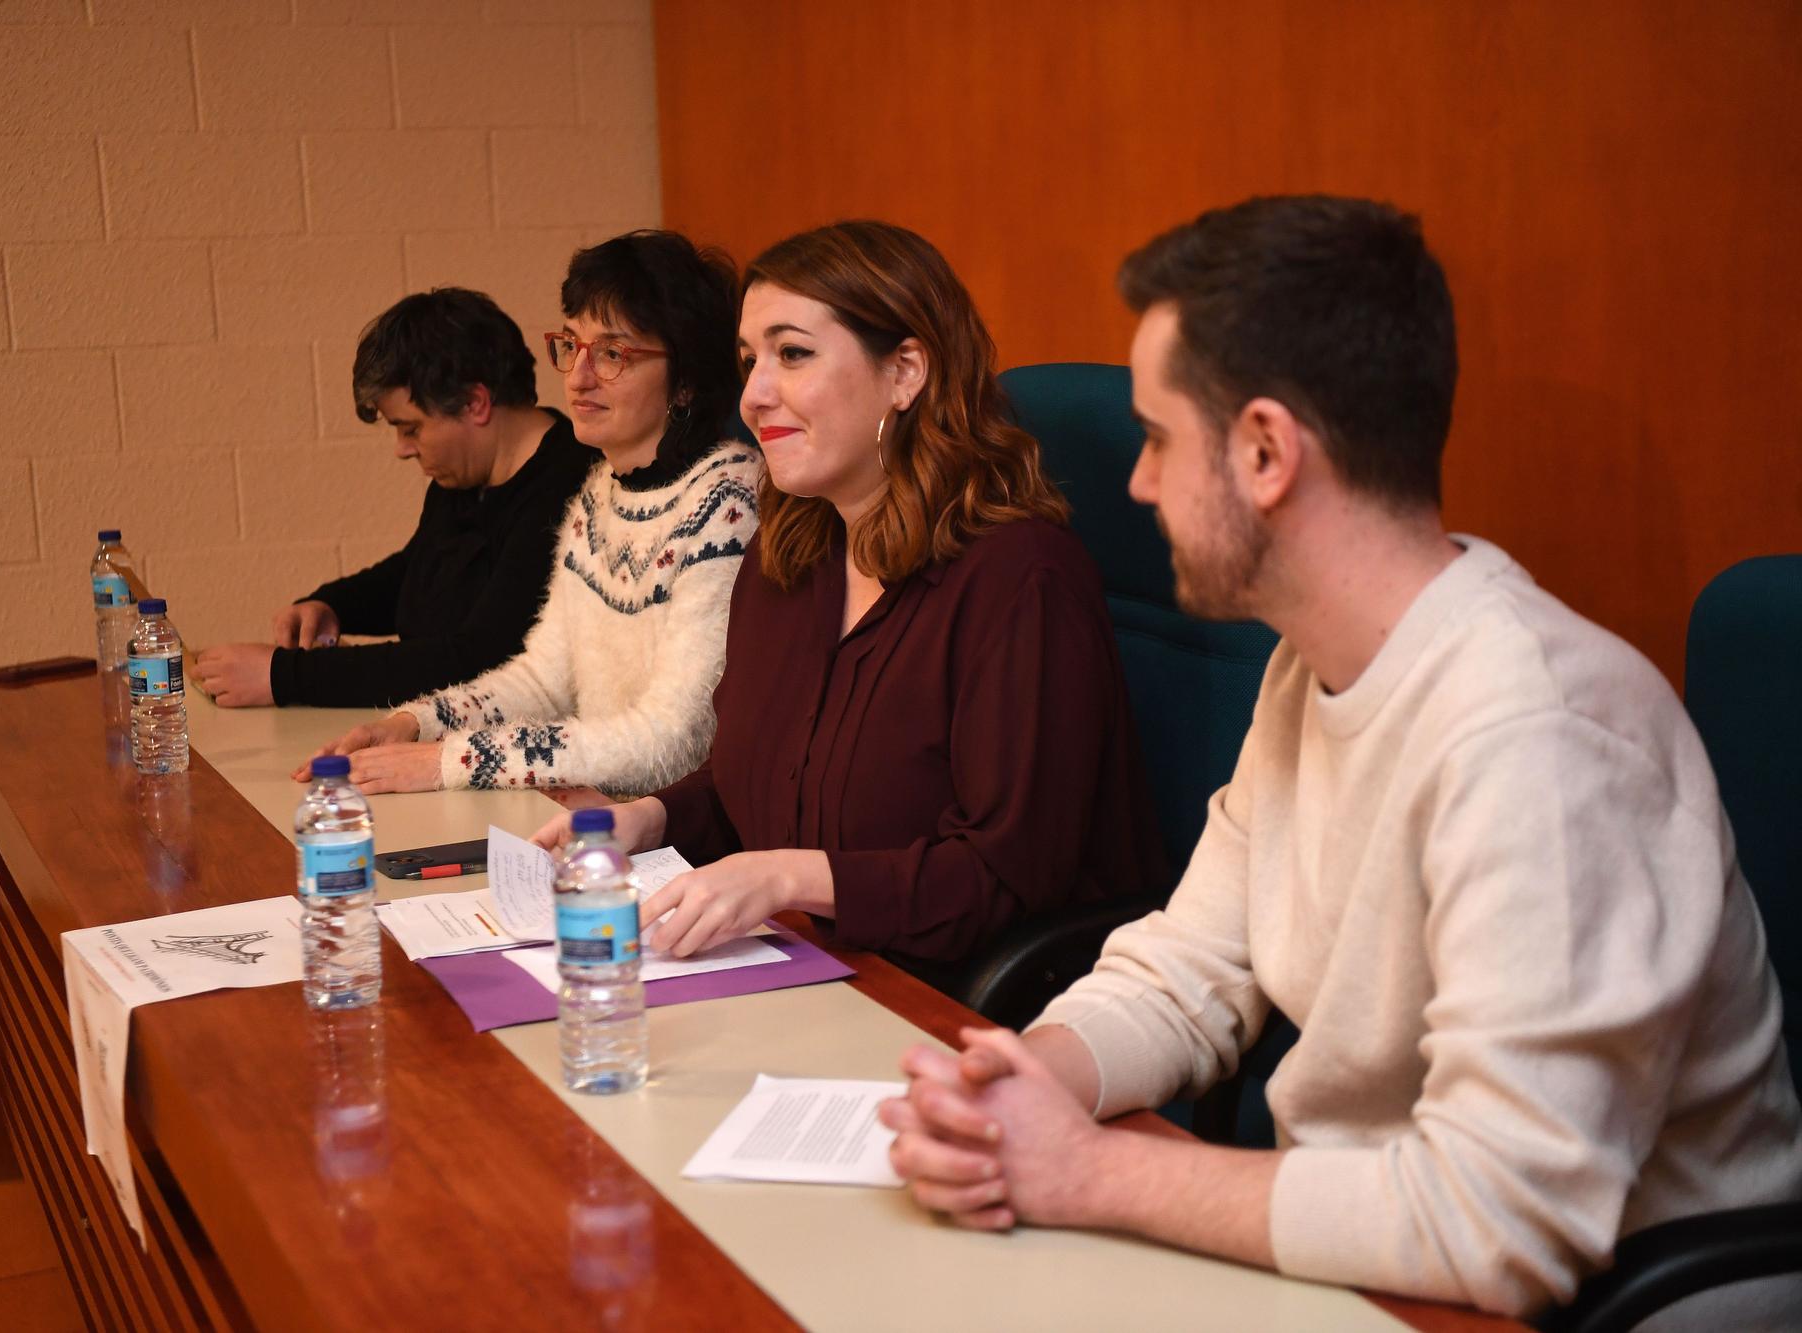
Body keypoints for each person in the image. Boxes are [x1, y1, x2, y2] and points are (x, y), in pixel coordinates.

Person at [879, 196, 1802, 1326]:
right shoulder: (1306, 665)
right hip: (1369, 1259)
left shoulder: (1539, 735)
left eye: (1158, 438)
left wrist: (1085, 1170)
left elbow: (1499, 1220)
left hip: (1588, 1301)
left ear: (1265, 451)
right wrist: (1026, 1082)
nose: (1136, 483)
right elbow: (1188, 966)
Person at [532, 221, 1164, 983]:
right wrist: (649, 817)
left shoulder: (1022, 580)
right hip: (799, 969)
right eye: (748, 360)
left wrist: (789, 878)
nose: (755, 394)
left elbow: (1003, 879)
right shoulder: (789, 554)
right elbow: (754, 788)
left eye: (792, 353)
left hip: (959, 1018)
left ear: (905, 372)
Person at [297, 231, 762, 798]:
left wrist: (450, 761)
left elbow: (673, 739)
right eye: (573, 345)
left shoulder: (727, 503)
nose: (578, 376)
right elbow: (543, 681)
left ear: (686, 381)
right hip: (604, 820)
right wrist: (411, 725)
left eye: (613, 353)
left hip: (687, 850)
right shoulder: (599, 495)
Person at [191, 288, 591, 709]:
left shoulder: (567, 493)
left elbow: (477, 660)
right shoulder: (464, 477)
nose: (402, 448)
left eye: (411, 428)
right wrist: (333, 604)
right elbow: (418, 571)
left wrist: (281, 676)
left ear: (475, 403)